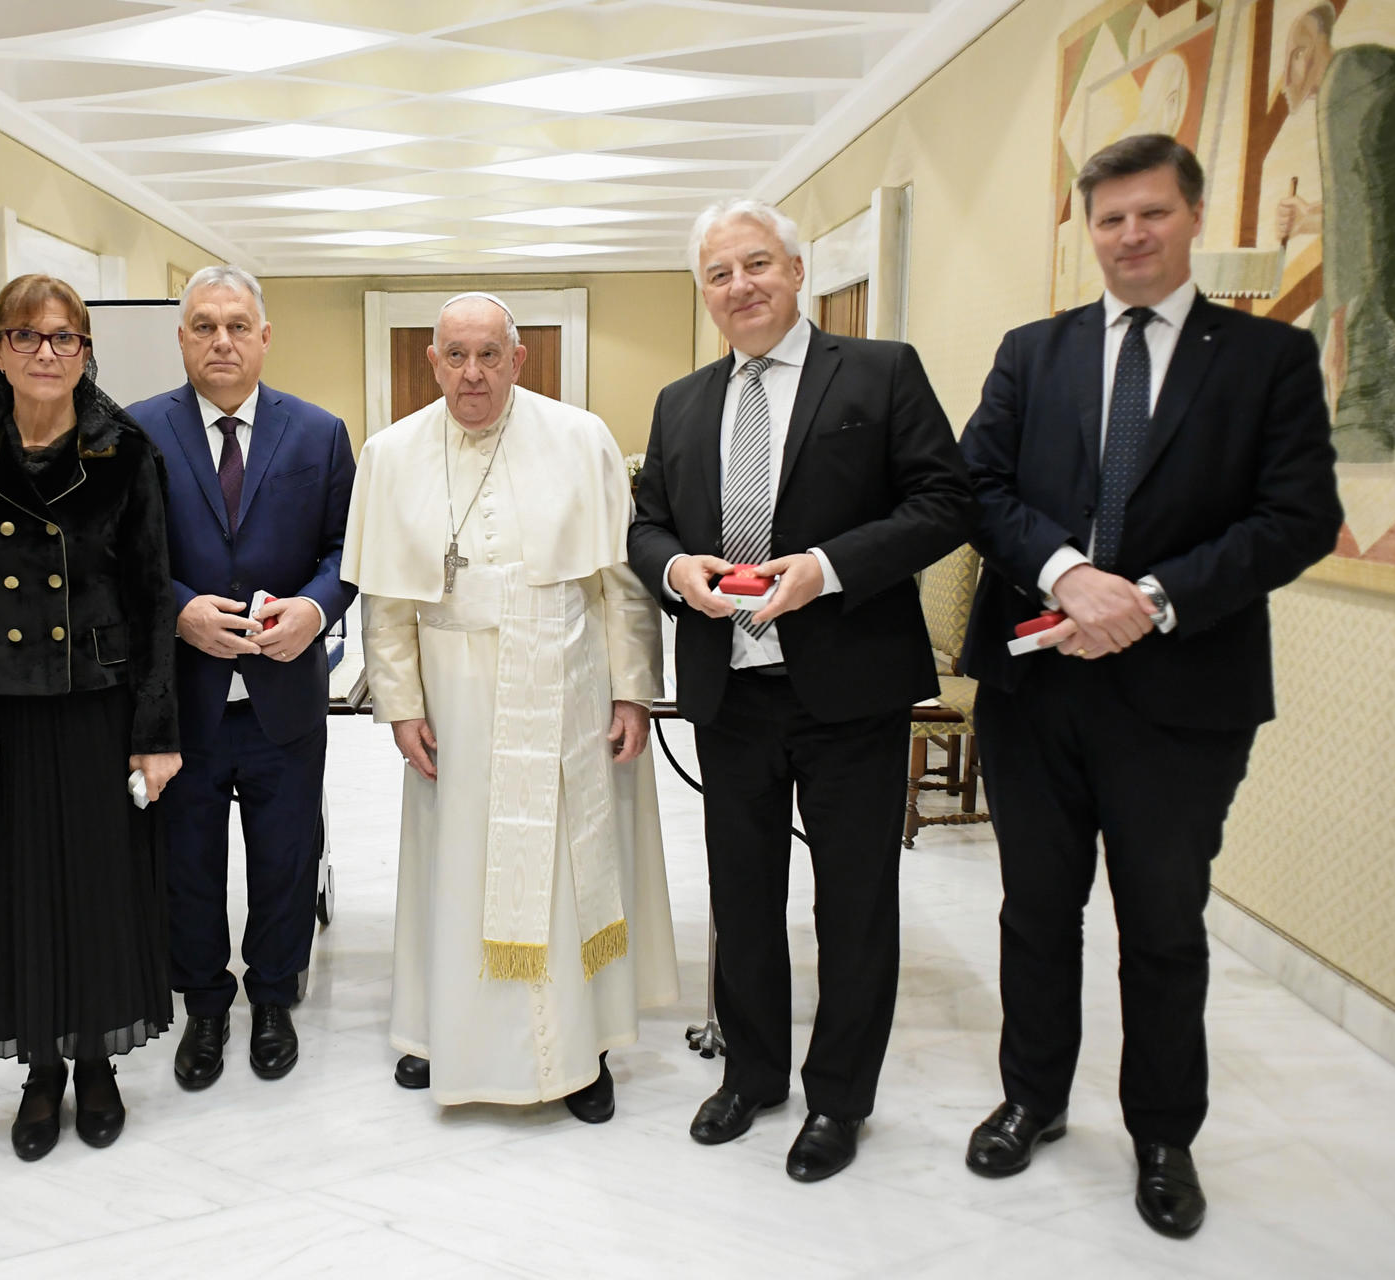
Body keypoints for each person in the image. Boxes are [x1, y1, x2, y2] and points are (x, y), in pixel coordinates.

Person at [959, 135, 1343, 1237]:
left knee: (1162, 925)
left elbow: (1297, 517)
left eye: (1152, 215)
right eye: (1111, 219)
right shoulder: (1034, 353)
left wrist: (1154, 597)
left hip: (1185, 698)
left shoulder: (1264, 360)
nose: (1131, 236)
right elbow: (979, 487)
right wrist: (1072, 576)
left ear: (1192, 216)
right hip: (1036, 688)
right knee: (1035, 911)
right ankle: (1031, 1096)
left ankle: (1164, 1132)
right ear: (1090, 230)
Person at [628, 201, 974, 1180]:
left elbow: (943, 502)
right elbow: (647, 522)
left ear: (796, 268)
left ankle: (839, 1099)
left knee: (854, 901)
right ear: (706, 292)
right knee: (741, 894)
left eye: (756, 265)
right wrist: (674, 570)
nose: (740, 287)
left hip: (849, 686)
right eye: (719, 274)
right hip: (730, 687)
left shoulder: (879, 372)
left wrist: (824, 566)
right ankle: (752, 1074)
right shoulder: (681, 400)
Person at [343, 292, 678, 1119]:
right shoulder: (390, 456)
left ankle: (581, 1047)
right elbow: (385, 603)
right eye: (455, 355)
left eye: (490, 354)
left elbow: (620, 582)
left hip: (564, 684)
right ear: (431, 360)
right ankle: (437, 1032)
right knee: (450, 866)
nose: (472, 373)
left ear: (519, 359)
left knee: (570, 865)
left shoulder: (581, 437)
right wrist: (400, 703)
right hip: (451, 696)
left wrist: (632, 689)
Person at [0, 274, 182, 1162]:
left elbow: (153, 600)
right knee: (11, 894)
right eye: (26, 337)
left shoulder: (126, 457)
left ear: (86, 354)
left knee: (98, 888)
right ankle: (40, 1069)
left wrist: (157, 731)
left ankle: (97, 1062)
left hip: (97, 707)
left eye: (63, 339)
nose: (45, 353)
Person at [126, 266, 355, 1088]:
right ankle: (206, 1006)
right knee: (185, 862)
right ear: (182, 338)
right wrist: (180, 609)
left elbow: (344, 552)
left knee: (285, 857)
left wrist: (316, 609)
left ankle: (271, 997)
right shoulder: (136, 430)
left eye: (236, 325)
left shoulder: (319, 433)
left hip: (282, 695)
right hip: (179, 701)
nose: (221, 340)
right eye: (203, 326)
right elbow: (123, 556)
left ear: (264, 337)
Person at [1273, 3, 1395, 463]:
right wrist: (1309, 219)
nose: (1285, 80)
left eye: (1291, 58)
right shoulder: (1364, 71)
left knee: (1357, 427)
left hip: (1391, 301)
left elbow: (1358, 227)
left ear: (1307, 52)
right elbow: (1367, 192)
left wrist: (1340, 328)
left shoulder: (1345, 80)